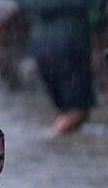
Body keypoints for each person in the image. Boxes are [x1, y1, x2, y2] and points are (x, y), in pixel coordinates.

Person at [29, 7, 95, 136]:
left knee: (64, 109)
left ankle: (65, 145)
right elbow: (97, 19)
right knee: (78, 110)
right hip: (69, 45)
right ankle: (51, 137)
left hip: (40, 46)